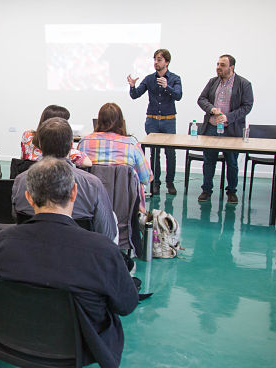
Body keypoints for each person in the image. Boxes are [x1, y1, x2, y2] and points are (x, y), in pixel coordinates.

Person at [0, 157, 139, 368]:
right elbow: (126, 304)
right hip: (79, 348)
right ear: (74, 193)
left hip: (12, 338)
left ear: (29, 198)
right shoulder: (102, 251)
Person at [12, 117, 118, 242]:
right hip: (81, 253)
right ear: (71, 144)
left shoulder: (21, 181)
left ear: (39, 144)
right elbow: (107, 234)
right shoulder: (92, 184)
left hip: (32, 248)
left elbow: (16, 218)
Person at [197, 54, 254, 203]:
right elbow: (201, 99)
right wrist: (212, 109)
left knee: (232, 162)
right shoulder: (212, 82)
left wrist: (228, 117)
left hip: (231, 129)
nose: (218, 68)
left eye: (222, 65)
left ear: (231, 67)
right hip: (212, 127)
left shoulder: (244, 84)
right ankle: (206, 190)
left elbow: (247, 106)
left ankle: (231, 191)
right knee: (209, 160)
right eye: (217, 64)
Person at [78, 103, 153, 213]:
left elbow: (79, 175)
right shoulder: (131, 144)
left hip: (91, 207)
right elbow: (146, 178)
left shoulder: (84, 143)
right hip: (123, 209)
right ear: (120, 122)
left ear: (99, 120)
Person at [128, 49, 182, 195]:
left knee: (170, 153)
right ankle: (155, 182)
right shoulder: (149, 78)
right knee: (154, 153)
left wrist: (167, 87)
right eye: (155, 59)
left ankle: (170, 182)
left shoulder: (175, 78)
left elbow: (178, 96)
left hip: (168, 121)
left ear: (167, 62)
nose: (156, 62)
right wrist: (132, 86)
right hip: (152, 120)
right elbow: (135, 95)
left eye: (159, 59)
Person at [20, 104, 92, 167]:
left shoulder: (27, 135)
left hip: (28, 176)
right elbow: (88, 163)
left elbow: (23, 157)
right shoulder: (65, 148)